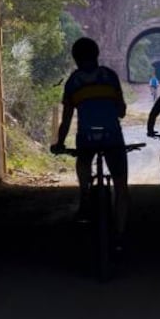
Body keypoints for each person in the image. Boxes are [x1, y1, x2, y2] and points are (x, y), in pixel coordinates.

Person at [50, 37, 128, 248]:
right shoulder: (110, 76)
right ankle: (119, 237)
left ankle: (85, 194)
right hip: (112, 136)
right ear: (97, 54)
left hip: (86, 137)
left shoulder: (73, 81)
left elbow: (66, 119)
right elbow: (121, 111)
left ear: (75, 59)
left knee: (83, 160)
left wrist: (59, 143)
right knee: (121, 189)